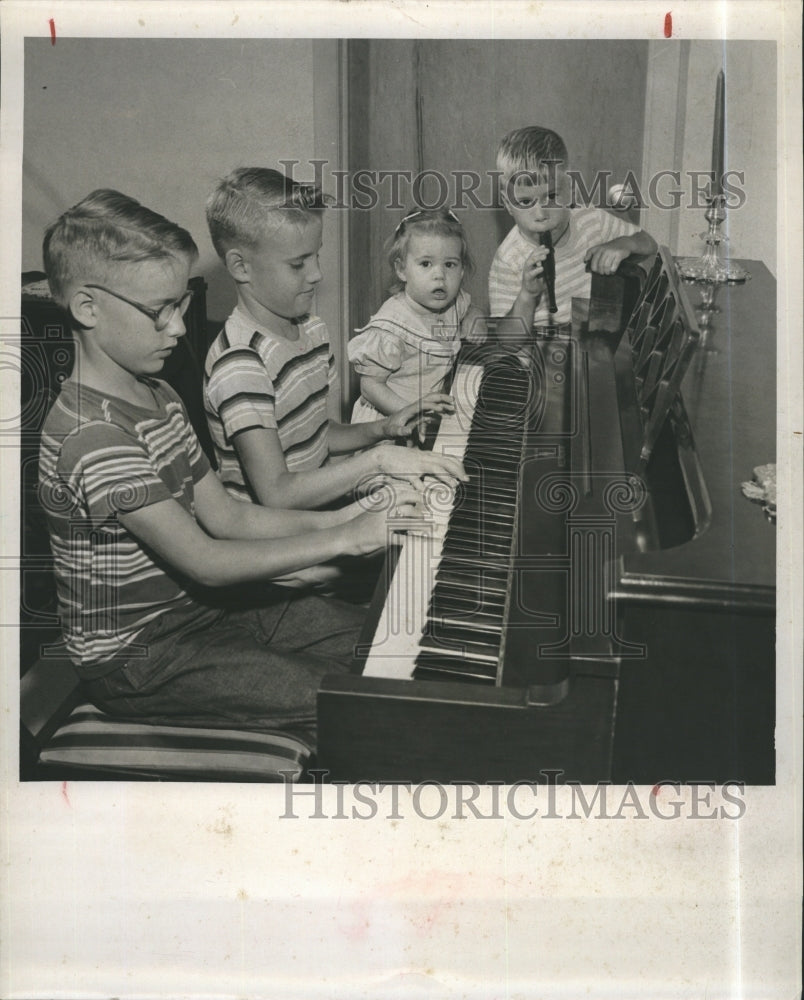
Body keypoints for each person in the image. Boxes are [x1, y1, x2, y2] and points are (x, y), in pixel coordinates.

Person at [37, 189, 457, 740]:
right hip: (142, 655)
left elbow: (231, 518)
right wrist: (348, 537)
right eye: (160, 310)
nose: (179, 328)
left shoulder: (159, 395)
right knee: (361, 706)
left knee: (393, 645)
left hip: (207, 609)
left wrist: (358, 517)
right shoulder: (92, 438)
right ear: (87, 307)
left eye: (182, 305)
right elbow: (206, 560)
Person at [204, 167, 459, 510]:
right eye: (298, 264)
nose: (317, 274)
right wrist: (377, 460)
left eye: (317, 255)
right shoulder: (240, 364)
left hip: (319, 509)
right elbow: (277, 494)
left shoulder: (311, 331)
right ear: (240, 266)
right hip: (278, 532)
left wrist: (385, 427)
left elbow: (320, 435)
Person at [488, 126, 657, 329]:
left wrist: (624, 243)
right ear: (508, 204)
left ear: (571, 191)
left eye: (552, 196)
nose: (541, 215)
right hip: (539, 345)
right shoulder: (508, 258)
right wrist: (527, 296)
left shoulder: (592, 220)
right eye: (525, 202)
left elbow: (649, 244)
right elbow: (507, 340)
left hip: (593, 338)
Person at [348, 208, 486, 431]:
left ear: (462, 271)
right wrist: (410, 414)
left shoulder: (454, 303)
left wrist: (474, 316)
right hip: (386, 423)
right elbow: (370, 387)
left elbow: (468, 306)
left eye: (450, 264)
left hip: (425, 420)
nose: (439, 275)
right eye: (426, 264)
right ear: (402, 269)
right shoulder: (391, 327)